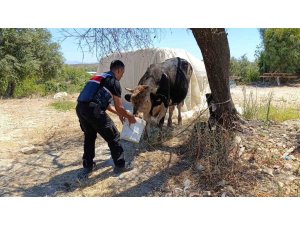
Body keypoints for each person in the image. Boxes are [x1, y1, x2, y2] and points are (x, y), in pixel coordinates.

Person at [76, 60, 136, 177]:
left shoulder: (100, 77)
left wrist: (121, 113)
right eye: (122, 73)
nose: (122, 76)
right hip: (93, 110)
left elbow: (106, 104)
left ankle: (88, 166)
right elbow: (119, 107)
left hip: (80, 108)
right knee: (113, 136)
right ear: (119, 70)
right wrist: (129, 116)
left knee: (89, 136)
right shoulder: (114, 81)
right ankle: (120, 165)